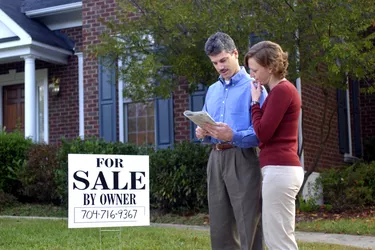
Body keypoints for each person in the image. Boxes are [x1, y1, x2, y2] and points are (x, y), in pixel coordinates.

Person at [195, 32, 267, 250]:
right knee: (220, 224)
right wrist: (202, 131)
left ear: (235, 53)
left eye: (223, 60)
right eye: (215, 62)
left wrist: (233, 135)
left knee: (248, 221)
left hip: (243, 158)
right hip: (216, 159)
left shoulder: (254, 86)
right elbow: (208, 120)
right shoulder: (212, 90)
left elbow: (263, 132)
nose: (220, 66)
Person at [244, 41, 304, 250]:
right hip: (281, 170)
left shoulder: (281, 91)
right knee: (278, 238)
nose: (252, 75)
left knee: (280, 241)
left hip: (281, 170)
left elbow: (262, 133)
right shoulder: (281, 91)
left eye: (255, 70)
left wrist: (254, 102)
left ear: (270, 67)